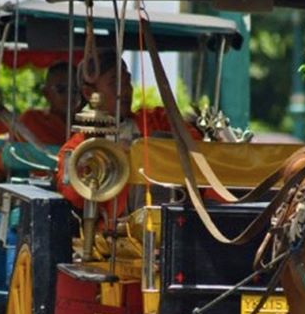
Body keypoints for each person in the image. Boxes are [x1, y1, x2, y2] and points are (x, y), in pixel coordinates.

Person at [55, 50, 198, 211]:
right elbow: (71, 196)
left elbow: (194, 142)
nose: (125, 91)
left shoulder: (156, 120)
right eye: (114, 84)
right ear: (89, 93)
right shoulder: (75, 150)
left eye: (127, 81)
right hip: (111, 232)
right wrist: (99, 161)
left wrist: (140, 151)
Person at [0, 62, 81, 187]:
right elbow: (1, 160)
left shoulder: (91, 127)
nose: (70, 96)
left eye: (75, 90)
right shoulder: (32, 120)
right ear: (45, 93)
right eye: (61, 89)